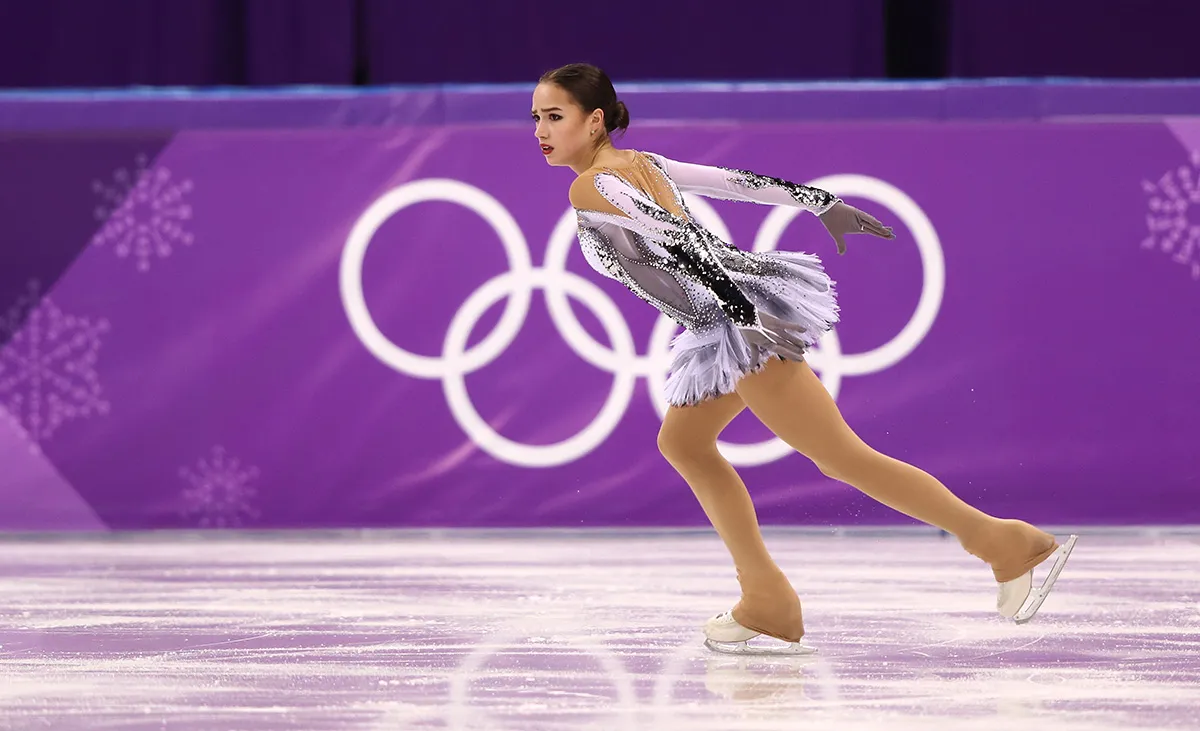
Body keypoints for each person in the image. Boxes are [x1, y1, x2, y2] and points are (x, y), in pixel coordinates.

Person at [531, 63, 1076, 654]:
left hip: (736, 318)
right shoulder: (645, 164)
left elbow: (682, 246)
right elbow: (735, 182)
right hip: (727, 316)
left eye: (555, 117)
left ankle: (1001, 542)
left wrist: (744, 316)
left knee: (842, 458)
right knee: (684, 443)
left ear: (595, 121)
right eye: (536, 117)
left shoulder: (590, 186)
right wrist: (819, 202)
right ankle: (766, 597)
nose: (541, 129)